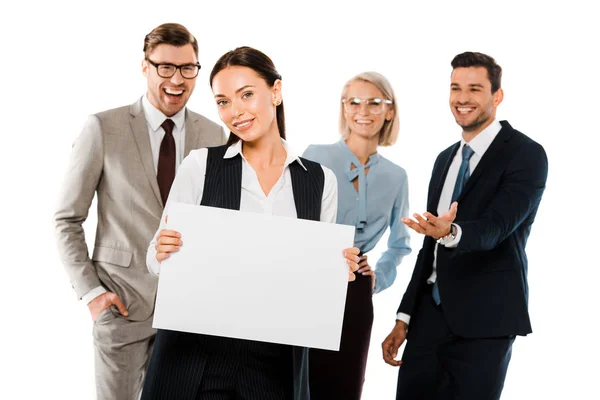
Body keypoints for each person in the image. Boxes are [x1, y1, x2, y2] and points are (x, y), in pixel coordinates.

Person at [140, 46, 361, 400]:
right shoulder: (200, 167)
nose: (235, 111)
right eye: (223, 101)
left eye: (246, 95)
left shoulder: (320, 181)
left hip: (273, 364)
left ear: (275, 91)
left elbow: (314, 283)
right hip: (195, 356)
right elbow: (155, 259)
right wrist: (163, 251)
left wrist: (338, 271)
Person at [53, 23, 226, 399]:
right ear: (145, 67)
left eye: (187, 68)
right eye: (165, 67)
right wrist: (92, 294)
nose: (176, 79)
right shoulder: (103, 128)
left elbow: (225, 223)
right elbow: (67, 218)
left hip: (190, 315)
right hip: (122, 309)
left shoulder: (215, 136)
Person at [381, 51, 549, 400]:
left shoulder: (526, 154)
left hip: (486, 320)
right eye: (455, 88)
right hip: (429, 318)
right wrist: (405, 316)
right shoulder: (445, 159)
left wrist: (451, 232)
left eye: (474, 88)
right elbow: (429, 245)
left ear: (497, 96)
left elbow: (497, 227)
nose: (462, 98)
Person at [302, 71, 411, 399]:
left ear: (389, 111)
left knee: (345, 383)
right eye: (355, 102)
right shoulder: (314, 155)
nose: (364, 111)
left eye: (375, 102)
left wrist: (377, 277)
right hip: (309, 279)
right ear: (345, 108)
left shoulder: (396, 177)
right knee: (299, 379)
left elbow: (400, 243)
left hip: (355, 290)